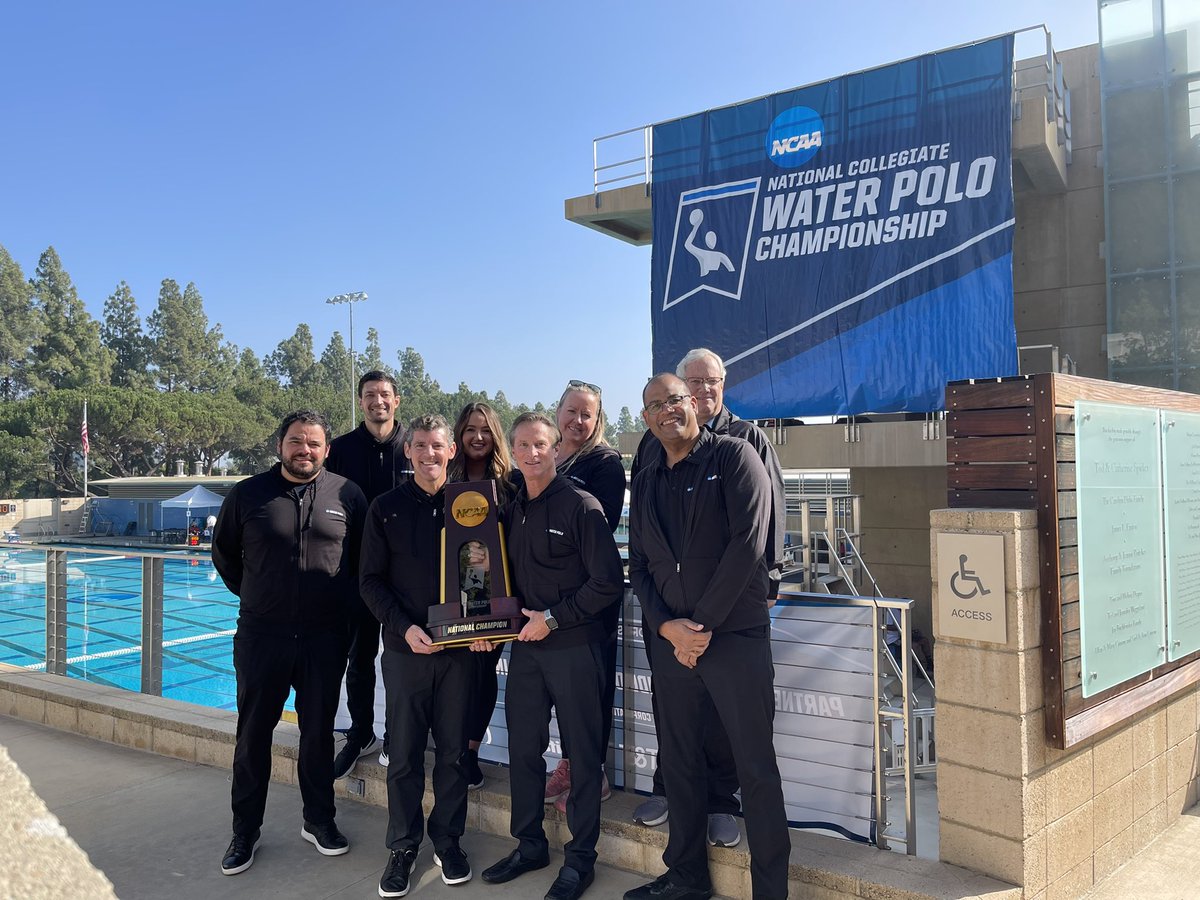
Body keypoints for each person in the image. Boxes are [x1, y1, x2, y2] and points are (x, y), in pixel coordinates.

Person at [625, 375, 789, 900]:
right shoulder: (645, 478)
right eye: (655, 405)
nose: (667, 410)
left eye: (675, 399)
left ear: (693, 403)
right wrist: (665, 626)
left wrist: (700, 627)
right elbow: (640, 565)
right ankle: (686, 877)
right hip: (673, 644)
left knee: (754, 767)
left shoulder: (737, 457)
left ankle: (771, 891)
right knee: (679, 763)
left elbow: (748, 546)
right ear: (646, 419)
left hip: (733, 638)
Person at [211, 409, 367, 876]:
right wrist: (261, 597)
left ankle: (319, 820)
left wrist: (339, 612)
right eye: (296, 441)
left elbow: (361, 565)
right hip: (263, 637)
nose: (305, 450)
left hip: (324, 638)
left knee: (318, 734)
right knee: (253, 736)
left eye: (314, 443)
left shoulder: (348, 495)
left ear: (326, 449)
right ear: (280, 445)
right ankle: (245, 831)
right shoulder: (247, 494)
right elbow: (224, 556)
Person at [480, 412, 623, 900]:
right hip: (527, 649)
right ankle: (529, 845)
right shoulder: (513, 508)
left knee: (582, 756)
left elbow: (608, 582)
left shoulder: (581, 506)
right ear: (513, 452)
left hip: (574, 648)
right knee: (523, 749)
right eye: (522, 445)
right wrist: (484, 625)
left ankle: (581, 860)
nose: (532, 453)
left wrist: (555, 618)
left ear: (556, 450)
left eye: (541, 444)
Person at [360, 414, 475, 897]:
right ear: (408, 451)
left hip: (458, 653)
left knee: (453, 754)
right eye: (421, 445)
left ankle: (448, 840)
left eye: (437, 446)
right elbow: (369, 582)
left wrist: (485, 626)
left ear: (452, 451)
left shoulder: (472, 505)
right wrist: (403, 628)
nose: (429, 454)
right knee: (404, 755)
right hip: (406, 650)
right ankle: (403, 846)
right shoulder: (385, 508)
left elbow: (487, 574)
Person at [542, 380, 626, 815]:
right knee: (563, 692)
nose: (577, 420)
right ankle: (570, 764)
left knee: (591, 690)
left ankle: (593, 775)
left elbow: (597, 527)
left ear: (598, 420)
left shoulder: (605, 462)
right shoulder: (548, 455)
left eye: (586, 414)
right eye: (571, 411)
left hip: (589, 596)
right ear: (557, 412)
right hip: (551, 595)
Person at [326, 370, 413, 776]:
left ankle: (397, 734)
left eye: (385, 394)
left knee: (400, 661)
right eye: (370, 395)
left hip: (405, 577)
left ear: (397, 400)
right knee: (359, 659)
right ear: (361, 401)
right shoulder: (341, 450)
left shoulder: (413, 447)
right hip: (357, 575)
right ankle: (361, 731)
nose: (378, 401)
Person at [447, 401, 517, 791]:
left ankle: (470, 752)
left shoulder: (512, 484)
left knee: (481, 672)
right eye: (471, 429)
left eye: (486, 430)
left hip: (494, 597)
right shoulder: (444, 479)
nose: (478, 437)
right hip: (452, 594)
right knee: (455, 674)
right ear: (460, 434)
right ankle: (451, 748)